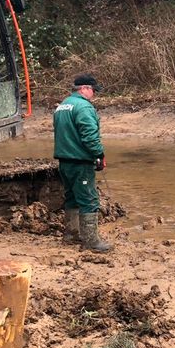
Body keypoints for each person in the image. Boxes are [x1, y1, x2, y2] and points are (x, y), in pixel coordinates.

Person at [53, 74, 110, 252]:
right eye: (93, 90)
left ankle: (71, 234)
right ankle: (91, 241)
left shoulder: (62, 106)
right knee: (88, 199)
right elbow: (90, 136)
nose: (94, 94)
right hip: (80, 162)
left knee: (71, 197)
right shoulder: (84, 107)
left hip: (64, 161)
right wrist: (99, 155)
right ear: (84, 88)